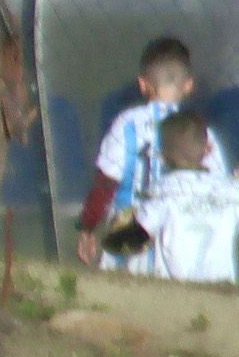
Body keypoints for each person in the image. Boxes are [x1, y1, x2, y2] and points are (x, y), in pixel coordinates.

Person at [75, 37, 227, 269]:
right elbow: (217, 185)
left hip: (129, 238)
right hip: (180, 241)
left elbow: (105, 183)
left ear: (143, 84)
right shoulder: (201, 132)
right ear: (188, 86)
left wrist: (87, 227)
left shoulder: (126, 124)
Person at [130, 112, 239, 285]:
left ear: (163, 156)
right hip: (221, 288)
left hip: (175, 288)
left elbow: (137, 232)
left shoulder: (162, 195)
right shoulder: (230, 192)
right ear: (208, 149)